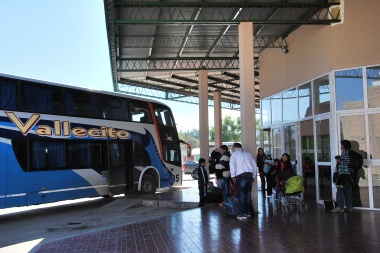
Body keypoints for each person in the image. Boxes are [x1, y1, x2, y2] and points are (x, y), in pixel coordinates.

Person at [230, 143, 257, 220]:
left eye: (232, 147)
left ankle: (242, 213)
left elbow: (232, 165)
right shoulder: (248, 154)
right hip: (249, 175)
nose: (232, 148)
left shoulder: (234, 154)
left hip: (241, 175)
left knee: (241, 194)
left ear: (235, 147)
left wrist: (233, 176)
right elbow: (254, 165)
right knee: (248, 194)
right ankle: (248, 212)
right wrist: (253, 175)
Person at [331, 140, 354, 213]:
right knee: (348, 192)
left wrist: (339, 161)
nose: (340, 146)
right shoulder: (351, 152)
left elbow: (346, 163)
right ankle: (349, 207)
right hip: (349, 175)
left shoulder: (345, 152)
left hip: (343, 176)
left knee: (340, 192)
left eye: (341, 145)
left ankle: (340, 207)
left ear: (344, 146)